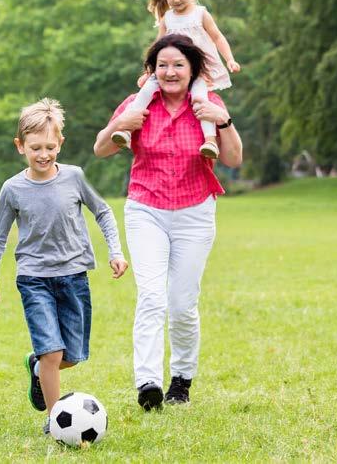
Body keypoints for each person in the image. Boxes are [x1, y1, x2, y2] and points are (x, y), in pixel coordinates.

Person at [94, 34, 242, 410]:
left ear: (192, 68)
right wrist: (123, 122)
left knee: (181, 304)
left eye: (178, 64)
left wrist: (223, 122)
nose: (170, 71)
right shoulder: (139, 104)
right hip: (147, 210)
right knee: (151, 297)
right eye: (162, 65)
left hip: (195, 213)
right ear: (152, 70)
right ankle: (147, 382)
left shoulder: (208, 103)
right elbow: (101, 148)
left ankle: (181, 379)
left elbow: (234, 159)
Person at [0, 98, 129, 434]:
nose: (43, 154)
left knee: (73, 356)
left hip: (74, 278)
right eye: (35, 147)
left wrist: (115, 252)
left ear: (61, 143)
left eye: (50, 146)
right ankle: (54, 420)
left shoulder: (75, 177)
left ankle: (36, 368)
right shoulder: (13, 189)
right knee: (53, 351)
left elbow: (103, 212)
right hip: (34, 280)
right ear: (20, 146)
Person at [112, 0, 240, 159]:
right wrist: (148, 73)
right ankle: (126, 131)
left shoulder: (201, 14)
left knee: (200, 99)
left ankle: (210, 140)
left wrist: (229, 59)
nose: (176, 0)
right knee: (144, 92)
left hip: (196, 71)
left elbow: (217, 37)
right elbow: (157, 49)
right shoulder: (167, 18)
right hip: (168, 69)